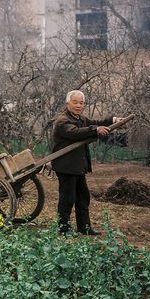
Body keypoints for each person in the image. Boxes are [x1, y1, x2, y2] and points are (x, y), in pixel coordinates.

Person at [51, 90, 115, 236]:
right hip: (66, 166)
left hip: (78, 167)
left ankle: (84, 228)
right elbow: (75, 133)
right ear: (68, 103)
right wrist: (95, 130)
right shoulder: (63, 121)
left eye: (81, 103)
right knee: (68, 198)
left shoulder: (80, 119)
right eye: (75, 102)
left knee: (83, 197)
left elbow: (96, 123)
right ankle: (64, 228)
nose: (79, 105)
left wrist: (113, 120)